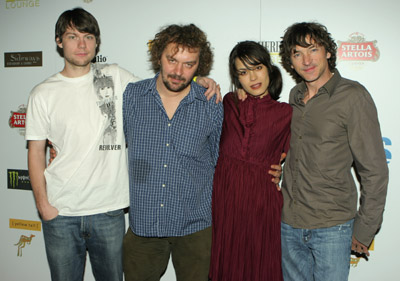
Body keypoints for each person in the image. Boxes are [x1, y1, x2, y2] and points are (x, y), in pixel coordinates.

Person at [26, 8, 219, 281]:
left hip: (118, 213)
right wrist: (43, 205)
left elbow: (170, 85)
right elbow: (36, 151)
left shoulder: (118, 78)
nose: (82, 44)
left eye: (88, 36)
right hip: (75, 213)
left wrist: (201, 80)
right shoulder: (47, 93)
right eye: (72, 36)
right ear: (59, 41)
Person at [278, 22, 388, 281]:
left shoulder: (353, 96)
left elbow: (374, 171)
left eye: (313, 49)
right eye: (297, 53)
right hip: (289, 223)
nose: (306, 60)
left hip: (332, 227)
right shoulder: (294, 95)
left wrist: (364, 229)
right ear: (290, 61)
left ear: (328, 51)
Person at [122, 24, 223, 281]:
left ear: (199, 65)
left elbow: (221, 159)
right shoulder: (133, 96)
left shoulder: (210, 103)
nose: (178, 72)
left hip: (195, 229)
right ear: (159, 56)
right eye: (172, 60)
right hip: (144, 226)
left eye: (189, 64)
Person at [209, 41, 292, 281]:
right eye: (243, 72)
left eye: (257, 68)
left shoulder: (286, 113)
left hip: (261, 204)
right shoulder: (228, 103)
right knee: (228, 268)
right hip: (227, 201)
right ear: (236, 78)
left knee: (262, 267)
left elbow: (300, 159)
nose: (253, 77)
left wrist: (283, 172)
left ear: (269, 68)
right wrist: (204, 81)